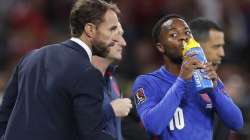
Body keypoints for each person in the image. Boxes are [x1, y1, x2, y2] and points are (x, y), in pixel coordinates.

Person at [0, 0, 121, 139]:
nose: (117, 38)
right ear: (90, 30)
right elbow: (91, 134)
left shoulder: (31, 57)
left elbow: (4, 114)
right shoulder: (88, 72)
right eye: (112, 29)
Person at [131, 15, 243, 140]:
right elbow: (153, 126)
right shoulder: (147, 82)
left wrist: (215, 90)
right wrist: (182, 81)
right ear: (160, 47)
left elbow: (236, 123)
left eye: (187, 33)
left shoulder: (204, 77)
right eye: (174, 35)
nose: (183, 37)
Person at [189, 18, 232, 140]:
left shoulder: (218, 89)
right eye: (216, 46)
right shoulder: (164, 86)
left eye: (222, 46)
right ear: (196, 48)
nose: (222, 53)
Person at [91, 23, 132, 140]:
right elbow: (71, 126)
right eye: (117, 35)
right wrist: (111, 110)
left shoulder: (112, 80)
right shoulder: (76, 78)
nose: (123, 43)